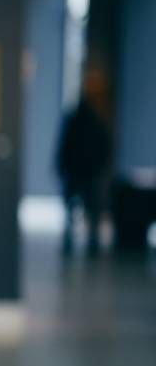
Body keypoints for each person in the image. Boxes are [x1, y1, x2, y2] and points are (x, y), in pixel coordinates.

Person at [56, 76, 112, 255]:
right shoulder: (97, 121)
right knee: (91, 209)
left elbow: (65, 146)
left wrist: (61, 166)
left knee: (73, 209)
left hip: (77, 171)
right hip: (88, 172)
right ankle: (92, 242)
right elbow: (104, 147)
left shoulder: (76, 120)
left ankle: (72, 240)